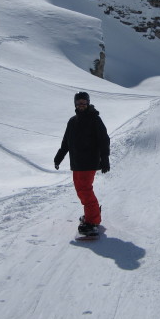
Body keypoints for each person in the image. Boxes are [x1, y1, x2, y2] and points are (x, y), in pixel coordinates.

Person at [54, 92, 110, 235]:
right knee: (81, 191)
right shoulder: (72, 121)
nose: (81, 105)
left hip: (89, 162)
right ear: (75, 104)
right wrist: (59, 157)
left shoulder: (95, 119)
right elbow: (66, 142)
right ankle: (92, 213)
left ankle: (93, 221)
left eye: (84, 103)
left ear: (88, 103)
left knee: (85, 190)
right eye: (79, 103)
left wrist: (105, 159)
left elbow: (104, 140)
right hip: (77, 163)